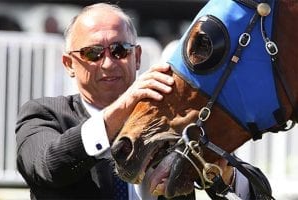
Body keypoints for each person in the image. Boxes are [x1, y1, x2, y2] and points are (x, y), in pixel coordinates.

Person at [15, 3, 272, 200]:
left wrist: (225, 176)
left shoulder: (171, 116)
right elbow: (47, 167)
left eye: (119, 50)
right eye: (92, 53)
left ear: (136, 57)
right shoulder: (44, 113)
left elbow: (259, 191)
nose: (108, 63)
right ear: (69, 64)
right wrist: (123, 107)